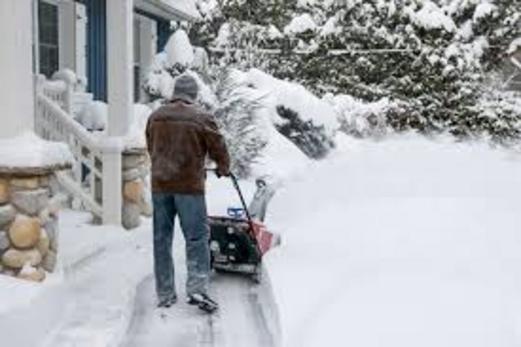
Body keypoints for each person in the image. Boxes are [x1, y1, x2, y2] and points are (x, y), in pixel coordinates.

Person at [145, 74, 230, 313]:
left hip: (160, 186)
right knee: (196, 238)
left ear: (174, 93)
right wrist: (223, 166)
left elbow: (151, 146)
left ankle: (165, 293)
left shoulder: (155, 116)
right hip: (188, 188)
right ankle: (197, 288)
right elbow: (218, 146)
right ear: (193, 94)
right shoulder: (201, 117)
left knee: (161, 239)